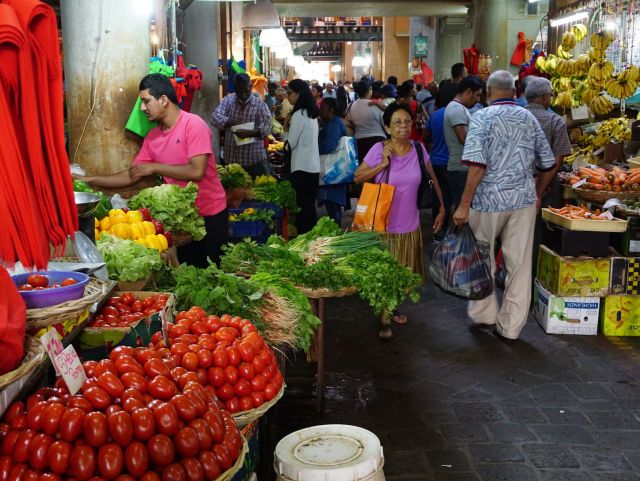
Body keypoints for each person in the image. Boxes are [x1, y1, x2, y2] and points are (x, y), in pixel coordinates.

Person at [78, 73, 228, 267]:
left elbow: (197, 171)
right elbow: (131, 175)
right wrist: (89, 179)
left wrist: (155, 167)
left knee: (212, 276)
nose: (142, 108)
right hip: (180, 223)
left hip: (210, 217)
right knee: (187, 274)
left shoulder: (193, 125)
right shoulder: (153, 137)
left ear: (164, 100)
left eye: (146, 101)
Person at [452, 70, 556, 340]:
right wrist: (537, 191)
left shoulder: (481, 118)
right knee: (519, 264)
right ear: (515, 91)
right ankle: (510, 327)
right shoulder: (529, 119)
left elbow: (477, 166)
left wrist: (464, 204)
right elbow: (548, 162)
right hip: (522, 201)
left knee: (482, 257)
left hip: (488, 200)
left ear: (488, 92)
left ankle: (484, 312)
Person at [355, 103, 445, 339]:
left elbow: (431, 179)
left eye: (407, 121)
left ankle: (391, 307)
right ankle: (385, 319)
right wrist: (382, 165)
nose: (404, 126)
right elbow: (356, 177)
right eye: (397, 122)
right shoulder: (378, 149)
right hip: (383, 224)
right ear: (387, 127)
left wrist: (442, 207)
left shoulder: (418, 149)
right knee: (385, 273)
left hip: (409, 223)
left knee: (403, 272)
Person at [525, 76, 572, 286]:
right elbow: (558, 158)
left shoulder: (517, 116)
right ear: (545, 97)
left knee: (514, 232)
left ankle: (510, 274)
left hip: (515, 184)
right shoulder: (555, 121)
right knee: (539, 233)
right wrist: (540, 190)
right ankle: (536, 276)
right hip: (545, 186)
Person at [211, 73, 272, 177]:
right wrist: (231, 122)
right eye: (239, 91)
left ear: (250, 86)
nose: (243, 94)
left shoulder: (260, 105)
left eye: (246, 90)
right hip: (231, 160)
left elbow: (267, 127)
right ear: (235, 89)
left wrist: (249, 133)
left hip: (254, 161)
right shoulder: (228, 100)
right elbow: (215, 117)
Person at [286, 79, 320, 234]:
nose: (288, 97)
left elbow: (290, 143)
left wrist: (286, 129)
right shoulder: (311, 113)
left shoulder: (299, 114)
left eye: (290, 93)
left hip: (301, 167)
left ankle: (304, 237)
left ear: (298, 93)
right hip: (313, 166)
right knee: (309, 206)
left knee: (303, 207)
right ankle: (311, 237)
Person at [444, 76, 483, 208]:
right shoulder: (456, 109)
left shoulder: (459, 108)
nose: (477, 99)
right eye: (477, 95)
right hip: (460, 170)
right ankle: (452, 230)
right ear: (468, 92)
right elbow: (464, 139)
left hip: (461, 168)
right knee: (463, 211)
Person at [318, 98, 349, 226]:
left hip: (333, 173)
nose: (320, 112)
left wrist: (314, 147)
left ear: (331, 110)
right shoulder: (333, 123)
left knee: (332, 204)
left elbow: (330, 146)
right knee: (333, 206)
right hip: (335, 172)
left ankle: (335, 231)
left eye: (323, 109)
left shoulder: (334, 125)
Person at [424, 97, 451, 237]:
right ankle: (445, 229)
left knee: (436, 195)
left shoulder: (435, 115)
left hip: (434, 162)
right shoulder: (457, 113)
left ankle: (437, 228)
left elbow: (426, 134)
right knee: (448, 197)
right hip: (450, 164)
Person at [345, 81, 387, 164]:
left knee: (364, 170)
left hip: (359, 142)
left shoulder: (352, 105)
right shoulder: (375, 105)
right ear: (370, 89)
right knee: (378, 168)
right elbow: (385, 124)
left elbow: (349, 122)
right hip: (377, 140)